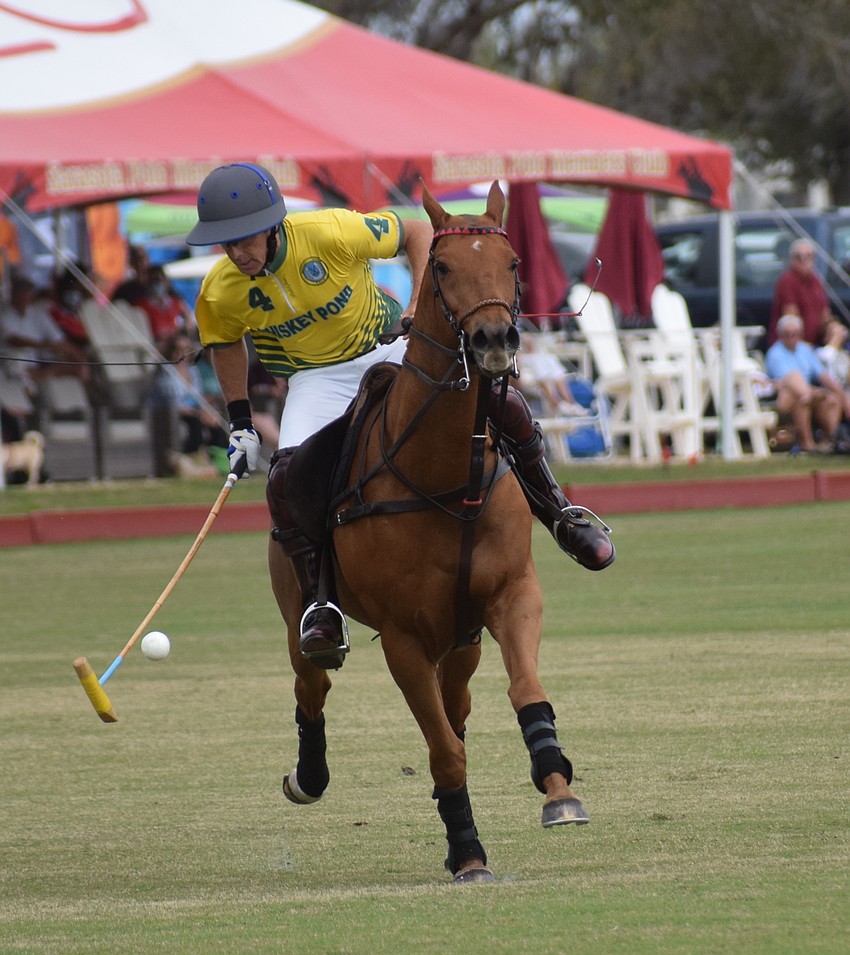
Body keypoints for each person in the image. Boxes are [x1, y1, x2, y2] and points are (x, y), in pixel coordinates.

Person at [186, 163, 614, 667]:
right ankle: (321, 602)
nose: (237, 253)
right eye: (225, 243)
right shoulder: (221, 289)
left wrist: (414, 305)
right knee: (285, 477)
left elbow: (418, 231)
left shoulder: (330, 231)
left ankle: (560, 513)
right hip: (315, 379)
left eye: (244, 239)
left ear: (273, 223)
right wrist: (240, 422)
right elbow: (225, 342)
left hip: (386, 348)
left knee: (505, 404)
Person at [765, 314, 849, 452]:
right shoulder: (775, 353)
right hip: (785, 396)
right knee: (798, 389)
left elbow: (824, 376)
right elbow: (786, 381)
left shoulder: (805, 350)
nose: (791, 338)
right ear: (780, 334)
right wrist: (811, 393)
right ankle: (807, 443)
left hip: (808, 394)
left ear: (800, 334)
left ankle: (829, 440)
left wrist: (842, 395)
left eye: (794, 334)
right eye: (787, 334)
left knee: (832, 400)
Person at [768, 239, 832, 346]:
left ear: (814, 259)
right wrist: (803, 347)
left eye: (808, 256)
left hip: (815, 342)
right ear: (791, 259)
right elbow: (791, 318)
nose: (804, 260)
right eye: (799, 257)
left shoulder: (816, 280)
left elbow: (825, 314)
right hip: (793, 345)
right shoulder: (787, 281)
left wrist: (832, 329)